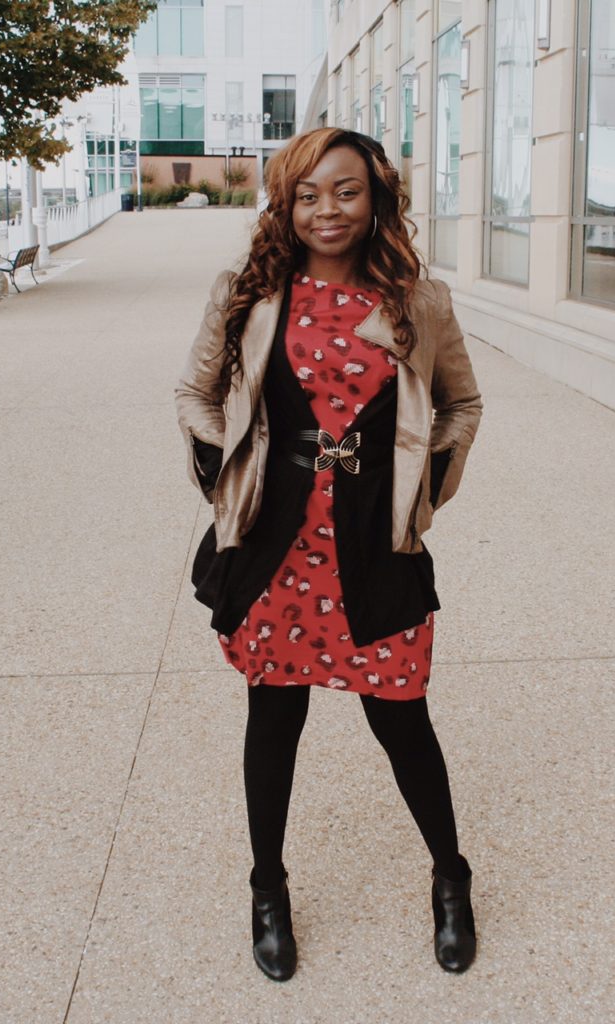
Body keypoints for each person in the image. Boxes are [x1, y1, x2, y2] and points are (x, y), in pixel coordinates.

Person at [174, 127, 482, 981]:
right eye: (306, 194)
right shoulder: (248, 291)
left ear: (377, 195)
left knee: (402, 718)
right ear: (287, 204)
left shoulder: (420, 301)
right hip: (278, 548)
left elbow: (462, 405)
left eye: (344, 191)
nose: (326, 210)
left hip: (372, 551)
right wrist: (226, 478)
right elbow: (196, 394)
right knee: (274, 719)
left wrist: (423, 493)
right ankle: (267, 888)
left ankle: (450, 879)